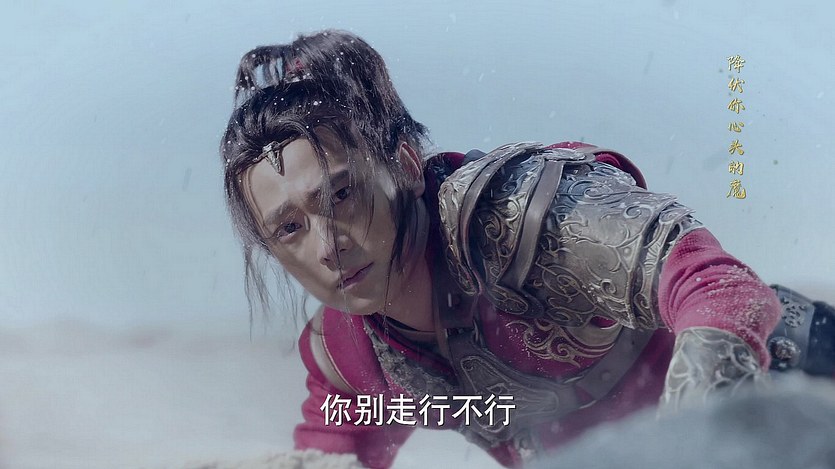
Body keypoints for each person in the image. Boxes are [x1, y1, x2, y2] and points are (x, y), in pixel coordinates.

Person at [218, 30, 833, 469]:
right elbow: (333, 452)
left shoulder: (526, 220)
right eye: (289, 228)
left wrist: (689, 446)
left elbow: (718, 289)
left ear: (403, 164)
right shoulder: (350, 358)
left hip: (795, 392)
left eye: (341, 194)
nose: (327, 245)